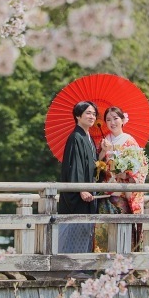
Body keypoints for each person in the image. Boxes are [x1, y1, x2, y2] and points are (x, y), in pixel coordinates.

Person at [94, 106, 146, 252]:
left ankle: (125, 264)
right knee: (104, 228)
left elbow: (141, 167)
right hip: (106, 192)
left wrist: (126, 174)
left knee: (124, 228)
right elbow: (98, 166)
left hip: (123, 194)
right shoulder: (105, 141)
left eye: (116, 118)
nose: (112, 122)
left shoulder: (130, 141)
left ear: (123, 120)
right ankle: (102, 263)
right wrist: (104, 151)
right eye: (108, 120)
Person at [57, 100, 99, 253]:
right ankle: (70, 265)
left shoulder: (88, 137)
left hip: (88, 190)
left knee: (85, 229)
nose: (92, 116)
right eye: (88, 113)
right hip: (79, 193)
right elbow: (75, 166)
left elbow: (92, 164)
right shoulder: (76, 137)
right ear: (78, 116)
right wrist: (81, 189)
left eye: (94, 114)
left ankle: (81, 265)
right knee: (75, 227)